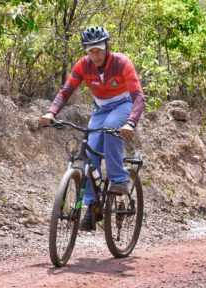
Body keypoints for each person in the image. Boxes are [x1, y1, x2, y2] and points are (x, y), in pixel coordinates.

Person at [40, 26, 144, 230]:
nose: (94, 55)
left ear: (107, 46)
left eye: (98, 49)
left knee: (110, 127)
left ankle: (119, 179)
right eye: (90, 50)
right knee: (89, 152)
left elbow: (138, 96)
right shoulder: (82, 65)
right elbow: (66, 90)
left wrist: (130, 122)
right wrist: (52, 112)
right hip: (100, 109)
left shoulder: (122, 62)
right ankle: (91, 205)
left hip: (123, 105)